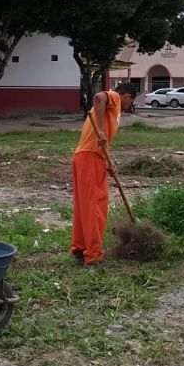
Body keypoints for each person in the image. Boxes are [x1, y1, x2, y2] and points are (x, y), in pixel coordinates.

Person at [70, 82, 137, 268]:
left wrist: (108, 162)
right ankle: (93, 257)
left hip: (85, 157)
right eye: (130, 103)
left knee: (84, 206)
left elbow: (101, 142)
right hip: (89, 160)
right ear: (126, 97)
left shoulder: (112, 110)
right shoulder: (114, 98)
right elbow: (99, 97)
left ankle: (79, 248)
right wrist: (100, 129)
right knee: (95, 208)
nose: (128, 107)